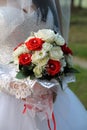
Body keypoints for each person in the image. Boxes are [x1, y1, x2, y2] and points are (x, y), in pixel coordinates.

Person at [0, 0, 87, 130]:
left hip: (44, 92)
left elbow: (57, 41)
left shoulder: (48, 2)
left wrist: (53, 80)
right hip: (6, 94)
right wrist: (14, 85)